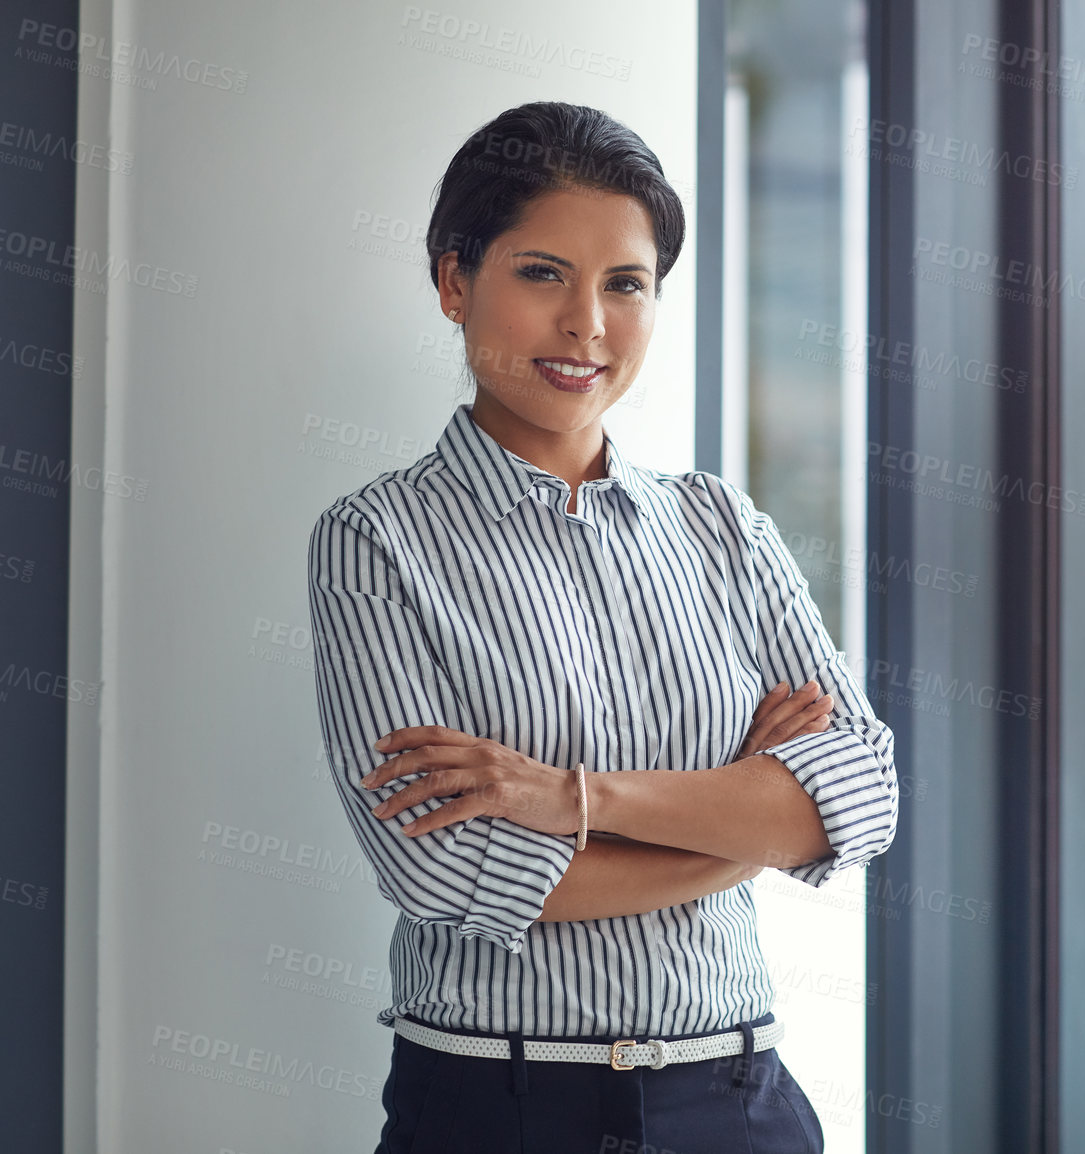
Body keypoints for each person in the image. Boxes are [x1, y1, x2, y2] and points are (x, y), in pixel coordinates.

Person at [305, 101, 898, 1154]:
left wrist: (569, 798)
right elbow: (441, 872)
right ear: (454, 282)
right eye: (542, 274)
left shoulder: (721, 523)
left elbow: (860, 791)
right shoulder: (376, 541)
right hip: (499, 1105)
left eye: (625, 284)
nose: (588, 324)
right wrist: (746, 824)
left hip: (740, 1098)